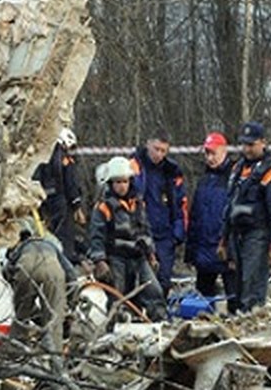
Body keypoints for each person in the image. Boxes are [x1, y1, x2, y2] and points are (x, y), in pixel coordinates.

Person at [88, 156, 166, 321]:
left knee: (154, 292)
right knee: (118, 297)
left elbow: (145, 230)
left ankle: (160, 322)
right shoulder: (103, 207)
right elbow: (96, 236)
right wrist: (99, 261)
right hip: (116, 258)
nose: (122, 186)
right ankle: (114, 327)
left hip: (138, 256)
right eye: (117, 182)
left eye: (125, 181)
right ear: (111, 183)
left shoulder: (138, 203)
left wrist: (151, 254)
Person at [222, 120, 271, 312]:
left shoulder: (270, 172)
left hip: (257, 235)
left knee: (252, 286)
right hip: (236, 235)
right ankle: (240, 321)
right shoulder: (237, 170)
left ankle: (253, 322)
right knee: (237, 287)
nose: (247, 149)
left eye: (251, 145)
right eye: (244, 144)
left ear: (263, 143)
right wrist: (224, 240)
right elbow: (229, 207)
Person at [3, 218, 78, 359]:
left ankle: (15, 355)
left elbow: (7, 271)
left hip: (25, 266)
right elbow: (72, 275)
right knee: (55, 319)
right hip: (53, 268)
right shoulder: (50, 244)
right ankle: (55, 361)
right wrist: (69, 304)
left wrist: (20, 298)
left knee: (21, 316)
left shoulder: (18, 247)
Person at [131, 129, 187, 295]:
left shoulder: (171, 172)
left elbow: (180, 203)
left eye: (163, 151)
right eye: (156, 149)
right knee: (141, 279)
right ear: (148, 144)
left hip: (164, 233)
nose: (158, 154)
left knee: (163, 279)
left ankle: (159, 311)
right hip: (140, 232)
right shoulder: (134, 166)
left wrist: (178, 232)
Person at [186, 131, 236, 308]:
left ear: (224, 152)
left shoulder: (235, 178)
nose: (210, 157)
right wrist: (190, 252)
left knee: (235, 302)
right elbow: (195, 218)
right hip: (204, 252)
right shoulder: (204, 181)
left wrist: (233, 252)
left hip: (226, 251)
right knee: (203, 305)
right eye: (207, 153)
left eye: (213, 153)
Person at [34, 127, 84, 263]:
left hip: (46, 201)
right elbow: (70, 182)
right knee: (65, 234)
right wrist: (77, 205)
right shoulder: (64, 159)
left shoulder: (44, 157)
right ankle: (65, 260)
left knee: (50, 232)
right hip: (62, 201)